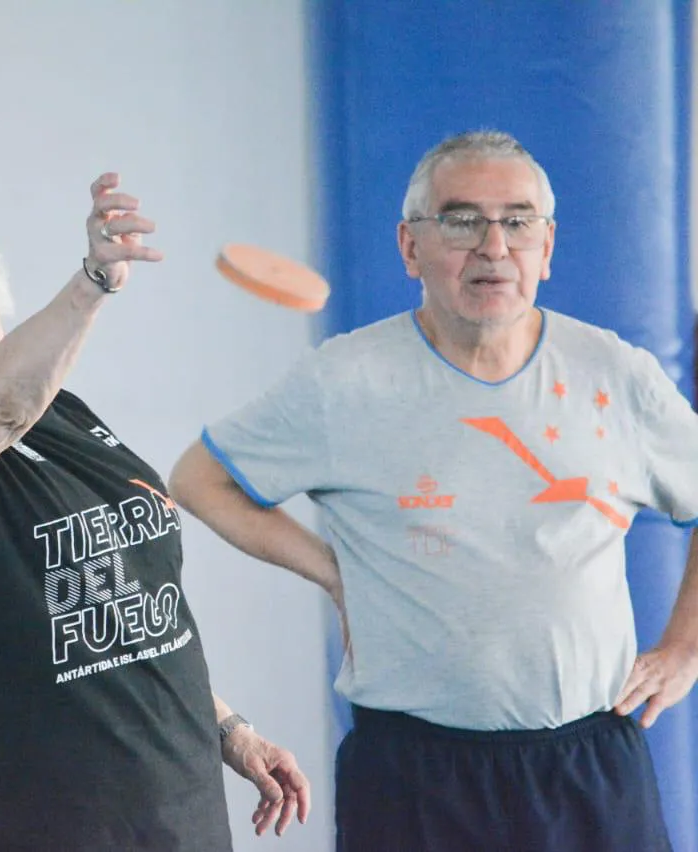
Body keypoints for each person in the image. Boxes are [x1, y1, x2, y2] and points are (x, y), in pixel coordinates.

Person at [169, 131, 698, 852]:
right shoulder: (344, 381)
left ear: (547, 246)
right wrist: (331, 570)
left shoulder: (617, 374)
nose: (492, 246)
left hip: (588, 765)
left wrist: (684, 650)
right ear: (409, 246)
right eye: (459, 219)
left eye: (517, 221)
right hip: (413, 772)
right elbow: (199, 480)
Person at [0, 173, 311, 850]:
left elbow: (130, 605)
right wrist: (92, 283)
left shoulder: (59, 413)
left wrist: (231, 730)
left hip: (175, 810)